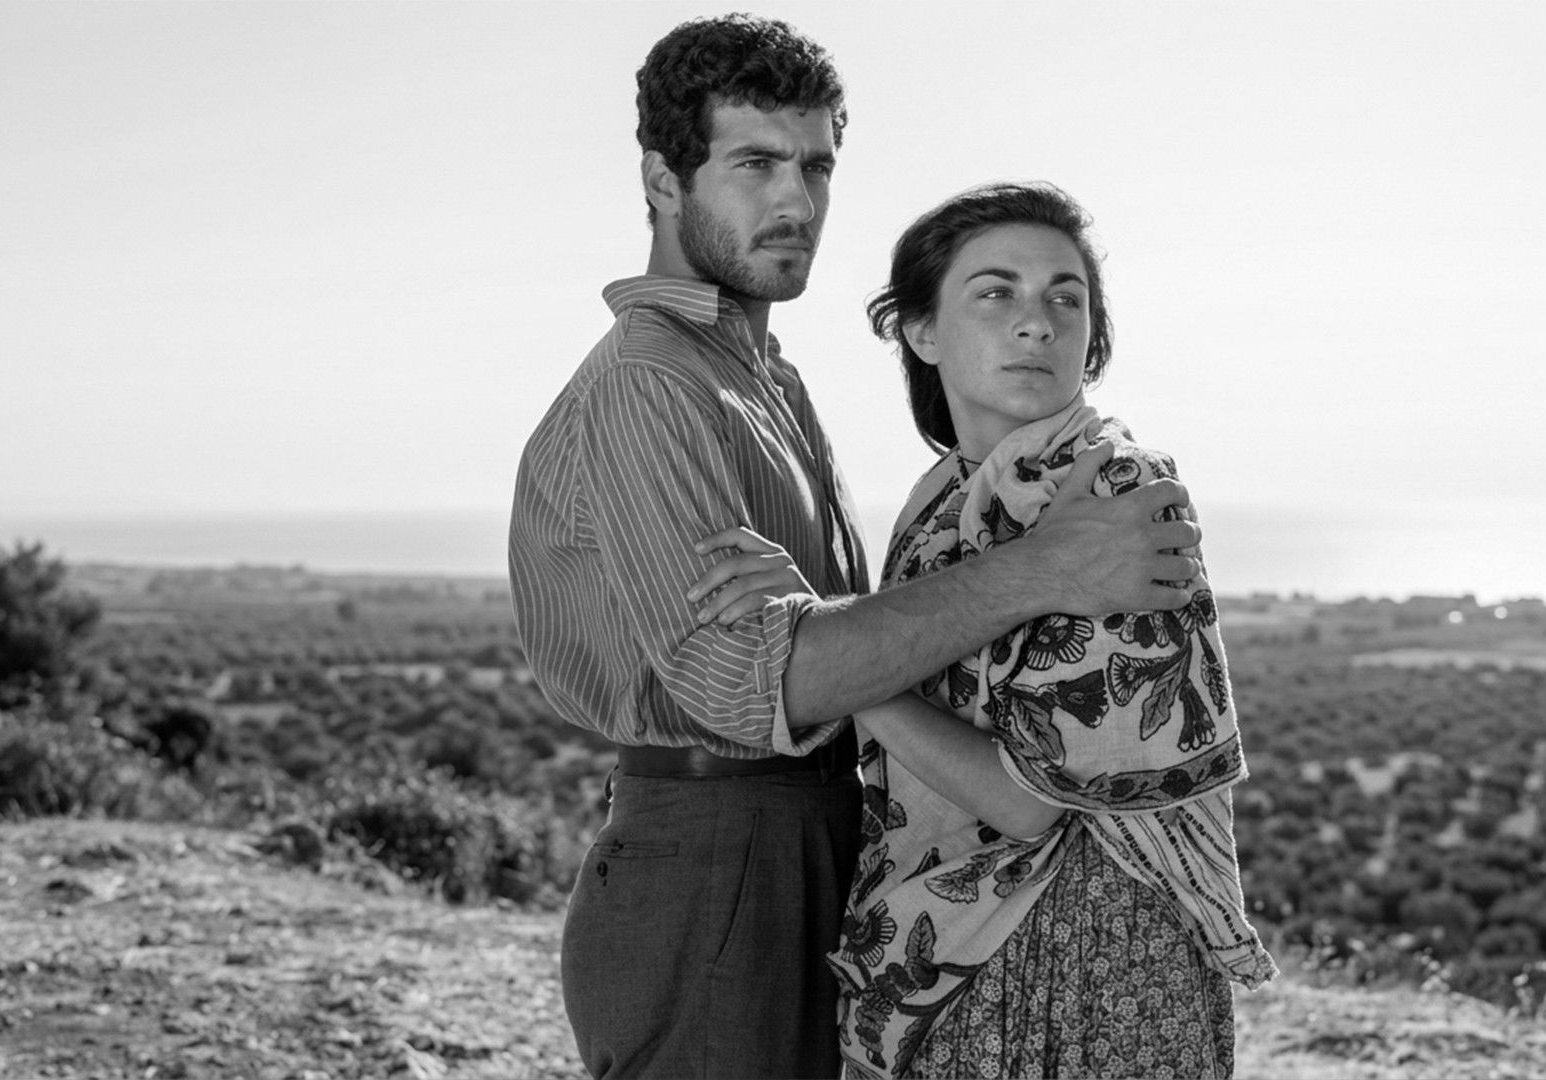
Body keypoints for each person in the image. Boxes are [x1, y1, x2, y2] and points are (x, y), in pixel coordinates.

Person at [506, 17, 1202, 1080]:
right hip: (717, 861)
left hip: (817, 842)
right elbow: (755, 681)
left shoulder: (767, 380)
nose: (795, 201)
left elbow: (839, 644)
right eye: (755, 164)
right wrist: (1045, 568)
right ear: (662, 180)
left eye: (816, 167)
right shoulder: (653, 386)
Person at [698, 182, 1278, 1079]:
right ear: (921, 331)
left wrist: (831, 651)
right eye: (996, 292)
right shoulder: (939, 501)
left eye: (1065, 299)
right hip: (945, 958)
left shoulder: (1116, 489)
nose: (1037, 322)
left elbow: (1026, 802)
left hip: (1097, 961)